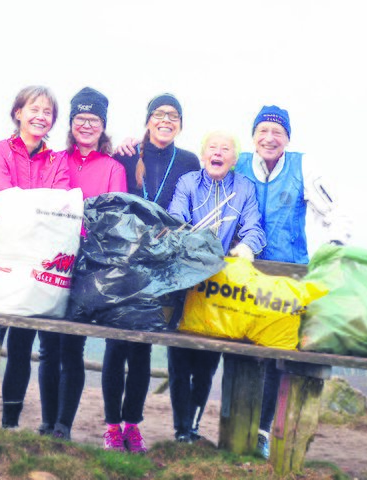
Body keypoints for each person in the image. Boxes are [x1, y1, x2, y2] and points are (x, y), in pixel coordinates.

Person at [234, 105, 351, 458]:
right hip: (241, 271)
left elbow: (336, 214)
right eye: (262, 131)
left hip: (287, 275)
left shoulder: (303, 168)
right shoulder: (238, 164)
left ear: (287, 138)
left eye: (277, 132)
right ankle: (236, 429)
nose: (269, 138)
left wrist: (332, 252)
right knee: (239, 351)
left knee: (274, 357)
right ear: (253, 136)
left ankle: (262, 431)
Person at [104, 93, 200, 452]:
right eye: (159, 114)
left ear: (180, 124)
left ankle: (133, 426)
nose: (166, 120)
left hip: (161, 268)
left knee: (142, 349)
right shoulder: (128, 155)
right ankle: (113, 427)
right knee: (116, 345)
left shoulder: (189, 161)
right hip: (124, 264)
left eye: (173, 115)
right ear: (147, 119)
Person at [36, 87, 127, 440]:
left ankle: (63, 426)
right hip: (51, 262)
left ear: (103, 126)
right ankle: (45, 423)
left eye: (93, 120)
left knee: (71, 347)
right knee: (48, 347)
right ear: (71, 123)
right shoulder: (55, 159)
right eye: (79, 118)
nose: (86, 125)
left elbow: (114, 217)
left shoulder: (113, 168)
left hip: (89, 266)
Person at [0, 85, 70, 431]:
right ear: (18, 112)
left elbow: (59, 205)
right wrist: (35, 211)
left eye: (47, 112)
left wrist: (34, 212)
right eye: (34, 109)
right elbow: (0, 198)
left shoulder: (57, 160)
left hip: (36, 264)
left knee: (21, 345)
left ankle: (9, 424)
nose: (40, 116)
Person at [167, 131, 266, 443]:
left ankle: (193, 426)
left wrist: (248, 246)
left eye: (226, 149)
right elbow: (175, 218)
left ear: (235, 160)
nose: (218, 152)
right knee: (179, 359)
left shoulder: (244, 188)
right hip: (184, 277)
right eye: (213, 147)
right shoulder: (187, 183)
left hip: (219, 285)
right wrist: (194, 245)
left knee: (207, 363)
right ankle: (181, 429)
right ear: (203, 154)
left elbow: (254, 228)